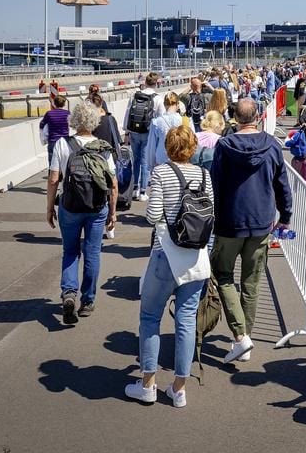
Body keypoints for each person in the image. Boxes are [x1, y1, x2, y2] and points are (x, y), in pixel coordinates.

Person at [124, 125, 211, 408]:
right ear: (193, 148)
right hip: (195, 258)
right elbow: (212, 215)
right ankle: (179, 389)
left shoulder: (160, 173)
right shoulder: (204, 175)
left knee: (150, 317)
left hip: (165, 255)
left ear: (168, 148)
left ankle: (148, 384)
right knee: (185, 323)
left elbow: (151, 215)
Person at [210, 98, 294, 364]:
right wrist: (286, 216)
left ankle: (240, 336)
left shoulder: (224, 146)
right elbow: (282, 184)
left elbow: (215, 184)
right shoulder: (271, 145)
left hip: (229, 221)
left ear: (235, 118)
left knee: (222, 275)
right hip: (261, 221)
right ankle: (244, 335)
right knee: (251, 283)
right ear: (257, 116)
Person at [46, 102, 118, 324]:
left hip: (70, 206)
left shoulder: (62, 144)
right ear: (94, 122)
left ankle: (69, 294)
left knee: (70, 251)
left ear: (74, 121)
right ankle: (87, 300)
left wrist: (49, 208)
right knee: (92, 252)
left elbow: (53, 179)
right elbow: (113, 184)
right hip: (96, 208)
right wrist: (113, 213)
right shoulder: (102, 147)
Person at [127, 73, 166, 201]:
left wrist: (127, 131)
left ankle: (134, 189)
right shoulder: (157, 98)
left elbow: (128, 113)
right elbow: (161, 118)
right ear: (156, 83)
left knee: (136, 160)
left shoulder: (134, 95)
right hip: (148, 133)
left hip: (134, 132)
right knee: (145, 161)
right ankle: (143, 191)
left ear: (145, 82)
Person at [39, 94, 71, 163]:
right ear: (64, 104)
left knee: (52, 164)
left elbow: (42, 124)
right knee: (66, 163)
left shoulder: (49, 114)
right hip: (65, 141)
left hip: (53, 141)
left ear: (55, 103)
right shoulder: (67, 113)